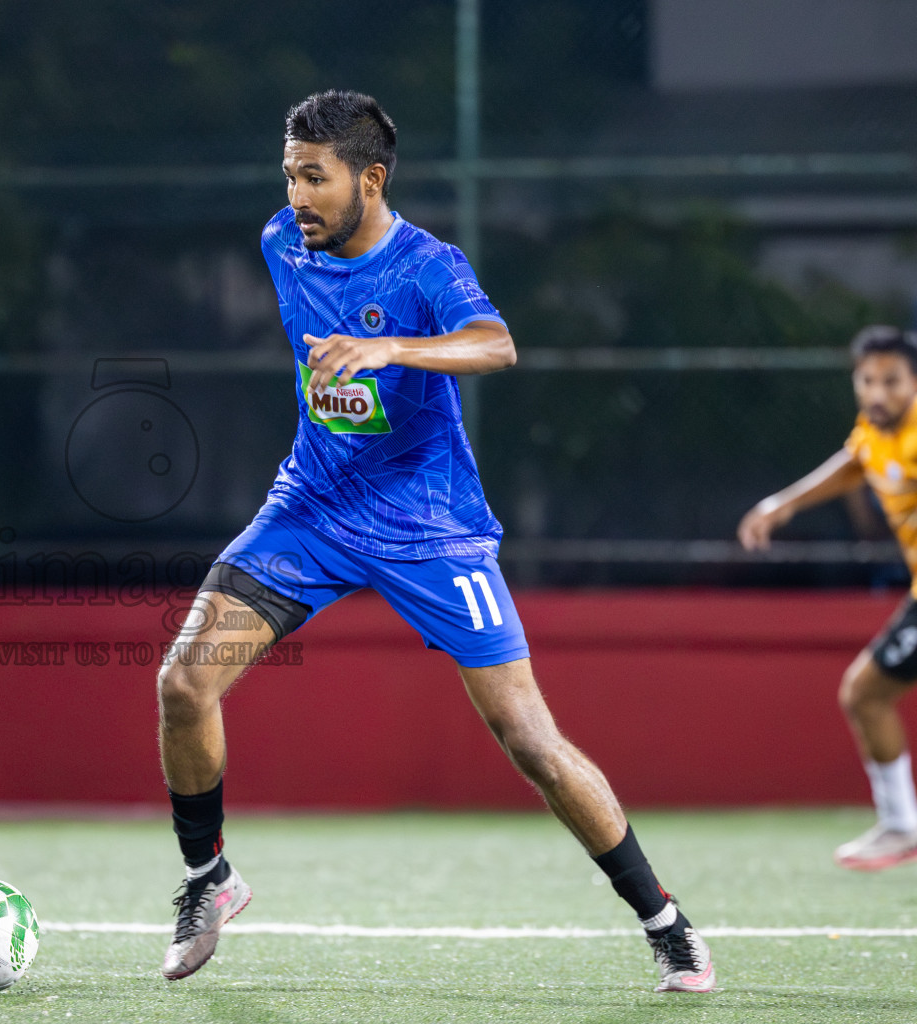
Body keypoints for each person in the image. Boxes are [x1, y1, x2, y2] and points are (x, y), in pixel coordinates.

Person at [153, 90, 716, 994]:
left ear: (370, 180)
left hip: (431, 530)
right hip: (314, 511)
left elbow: (496, 346)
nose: (295, 195)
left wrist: (395, 351)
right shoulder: (281, 243)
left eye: (315, 176)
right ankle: (207, 879)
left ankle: (666, 921)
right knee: (184, 681)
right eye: (288, 174)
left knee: (529, 738)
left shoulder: (427, 267)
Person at [739, 324, 917, 871]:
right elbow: (857, 463)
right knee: (865, 694)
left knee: (864, 692)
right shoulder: (875, 430)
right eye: (868, 380)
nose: (878, 393)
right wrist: (782, 504)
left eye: (892, 381)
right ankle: (900, 826)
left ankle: (901, 826)